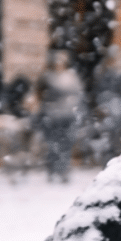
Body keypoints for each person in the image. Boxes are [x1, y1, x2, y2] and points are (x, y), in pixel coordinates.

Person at [37, 50, 86, 182]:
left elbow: (79, 96)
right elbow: (40, 96)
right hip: (51, 116)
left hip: (67, 116)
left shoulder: (72, 78)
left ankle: (63, 170)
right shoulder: (47, 78)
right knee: (52, 145)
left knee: (65, 145)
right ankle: (52, 171)